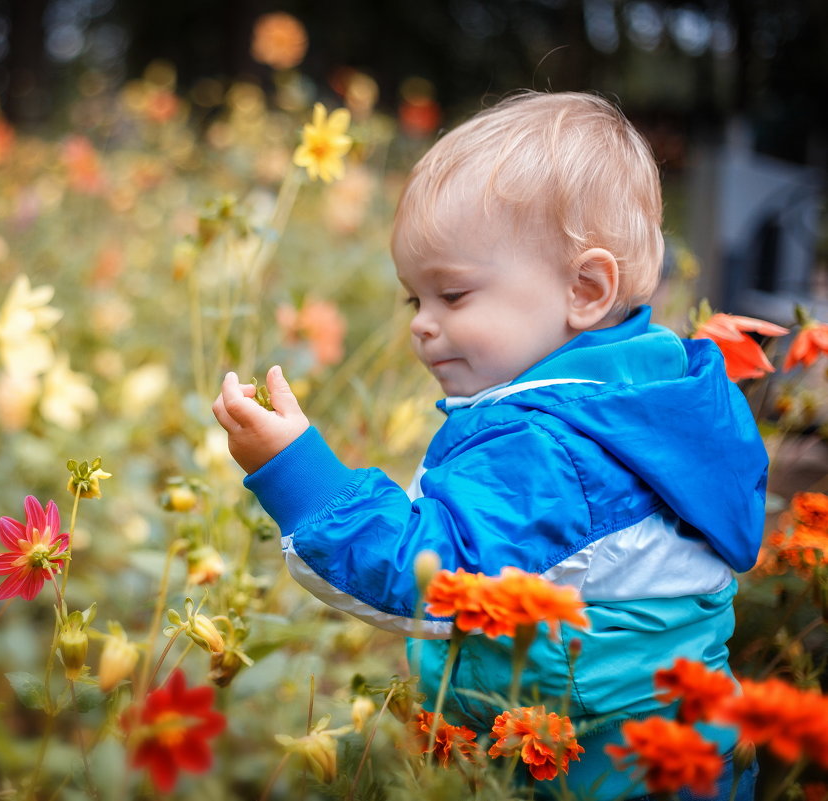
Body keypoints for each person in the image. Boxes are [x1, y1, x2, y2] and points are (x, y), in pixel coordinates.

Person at [211, 91, 765, 800]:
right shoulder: (648, 406)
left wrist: (298, 474)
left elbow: (436, 579)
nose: (422, 325)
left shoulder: (551, 446)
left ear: (586, 289)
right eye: (416, 299)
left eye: (454, 294)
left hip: (592, 777)